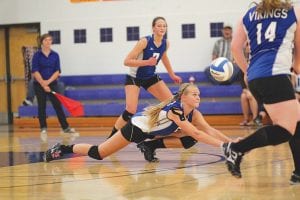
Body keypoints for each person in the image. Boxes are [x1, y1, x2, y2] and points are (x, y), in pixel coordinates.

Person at [44, 83, 234, 163]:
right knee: (99, 152)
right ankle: (63, 148)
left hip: (152, 133)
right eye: (194, 94)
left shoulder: (194, 113)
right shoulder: (176, 110)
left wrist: (232, 143)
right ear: (183, 97)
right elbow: (199, 134)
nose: (198, 97)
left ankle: (149, 147)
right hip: (136, 129)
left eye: (199, 94)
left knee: (190, 138)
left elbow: (209, 129)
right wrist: (224, 146)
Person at [223, 0, 300, 185]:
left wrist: (247, 71)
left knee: (296, 124)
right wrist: (296, 67)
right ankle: (236, 148)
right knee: (286, 130)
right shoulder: (293, 12)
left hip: (256, 78)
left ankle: (298, 173)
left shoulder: (247, 15)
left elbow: (235, 47)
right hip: (275, 76)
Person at [107, 16, 182, 138]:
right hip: (134, 78)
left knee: (171, 102)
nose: (162, 28)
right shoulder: (144, 41)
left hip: (150, 77)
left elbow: (164, 57)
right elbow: (126, 61)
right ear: (153, 28)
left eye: (164, 26)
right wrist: (147, 62)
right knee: (130, 110)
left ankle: (158, 131)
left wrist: (172, 74)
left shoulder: (165, 43)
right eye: (159, 25)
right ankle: (111, 137)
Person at [32, 33, 79, 141]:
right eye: (46, 40)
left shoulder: (55, 55)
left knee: (57, 105)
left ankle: (65, 128)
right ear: (41, 42)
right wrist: (43, 84)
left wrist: (48, 83)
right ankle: (43, 128)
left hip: (52, 83)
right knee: (41, 106)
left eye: (50, 40)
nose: (48, 42)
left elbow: (57, 71)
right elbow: (35, 71)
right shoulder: (37, 55)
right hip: (39, 84)